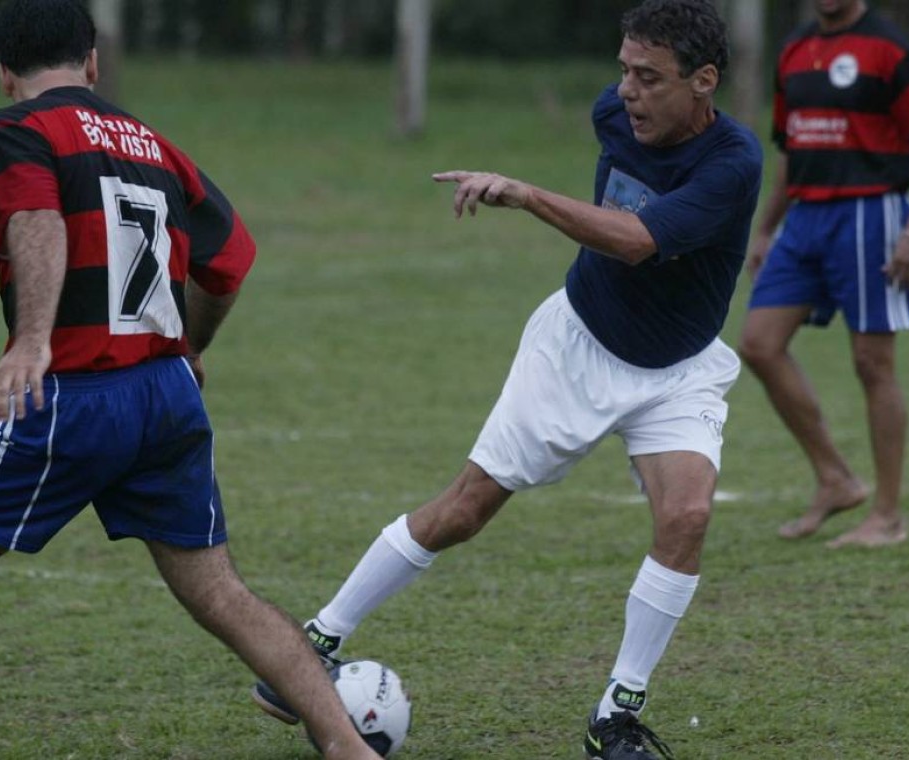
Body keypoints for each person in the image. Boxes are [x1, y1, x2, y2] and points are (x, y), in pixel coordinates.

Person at [0, 2, 379, 759]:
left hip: (70, 397)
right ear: (92, 61)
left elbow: (37, 220)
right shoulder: (155, 145)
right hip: (166, 395)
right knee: (219, 591)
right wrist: (189, 346)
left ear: (3, 72)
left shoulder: (14, 130)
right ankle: (345, 746)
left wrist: (32, 341)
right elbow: (227, 261)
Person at [251, 1, 761, 758]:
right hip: (577, 347)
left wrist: (527, 195)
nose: (625, 91)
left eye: (648, 78)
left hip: (676, 368)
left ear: (704, 81)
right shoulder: (613, 115)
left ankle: (615, 715)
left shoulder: (733, 163)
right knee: (463, 510)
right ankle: (318, 638)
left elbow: (636, 240)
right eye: (622, 70)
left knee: (686, 516)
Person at [737, 0, 909, 548]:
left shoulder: (889, 50)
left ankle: (887, 515)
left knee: (872, 362)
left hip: (870, 214)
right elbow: (791, 149)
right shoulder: (793, 52)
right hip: (805, 218)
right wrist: (766, 229)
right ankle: (835, 478)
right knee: (759, 345)